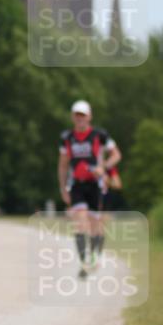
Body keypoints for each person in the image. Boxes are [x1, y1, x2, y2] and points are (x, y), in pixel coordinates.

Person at [58, 100, 120, 278]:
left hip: (96, 185)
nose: (80, 119)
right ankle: (84, 261)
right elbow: (62, 165)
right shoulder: (66, 138)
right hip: (77, 184)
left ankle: (94, 255)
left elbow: (117, 154)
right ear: (72, 117)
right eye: (77, 115)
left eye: (83, 115)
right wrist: (63, 189)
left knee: (95, 227)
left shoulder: (99, 135)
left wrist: (104, 167)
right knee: (79, 222)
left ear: (89, 116)